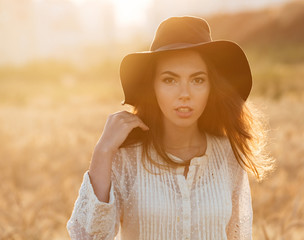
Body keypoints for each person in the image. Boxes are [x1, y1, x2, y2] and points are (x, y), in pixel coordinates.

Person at [67, 16, 273, 240]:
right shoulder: (125, 158)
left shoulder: (228, 155)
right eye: (170, 80)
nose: (184, 94)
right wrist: (103, 151)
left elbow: (239, 236)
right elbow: (87, 238)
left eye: (197, 80)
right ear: (152, 87)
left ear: (211, 87)